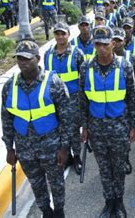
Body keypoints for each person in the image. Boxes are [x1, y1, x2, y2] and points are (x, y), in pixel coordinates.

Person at [1, 40, 73, 218]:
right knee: (36, 183)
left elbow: (67, 118)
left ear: (38, 59)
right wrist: (9, 148)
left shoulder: (53, 82)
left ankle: (59, 212)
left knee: (56, 183)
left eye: (27, 58)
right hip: (25, 148)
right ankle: (46, 212)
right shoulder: (10, 86)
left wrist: (65, 148)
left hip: (51, 146)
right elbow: (7, 119)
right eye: (19, 58)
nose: (23, 62)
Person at [79, 26, 135, 218]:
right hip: (96, 128)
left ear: (113, 43)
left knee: (119, 167)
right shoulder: (86, 67)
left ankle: (119, 203)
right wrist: (85, 127)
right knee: (104, 168)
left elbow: (132, 98)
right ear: (94, 45)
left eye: (105, 43)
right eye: (98, 44)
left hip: (119, 126)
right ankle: (108, 202)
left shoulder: (125, 66)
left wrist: (132, 126)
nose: (102, 48)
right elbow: (83, 100)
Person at [44, 22, 85, 174]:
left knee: (73, 130)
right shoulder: (48, 54)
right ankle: (66, 156)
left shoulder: (76, 53)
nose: (60, 37)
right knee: (60, 130)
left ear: (68, 34)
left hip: (72, 100)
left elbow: (84, 78)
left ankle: (77, 157)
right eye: (57, 34)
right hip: (54, 100)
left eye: (63, 34)